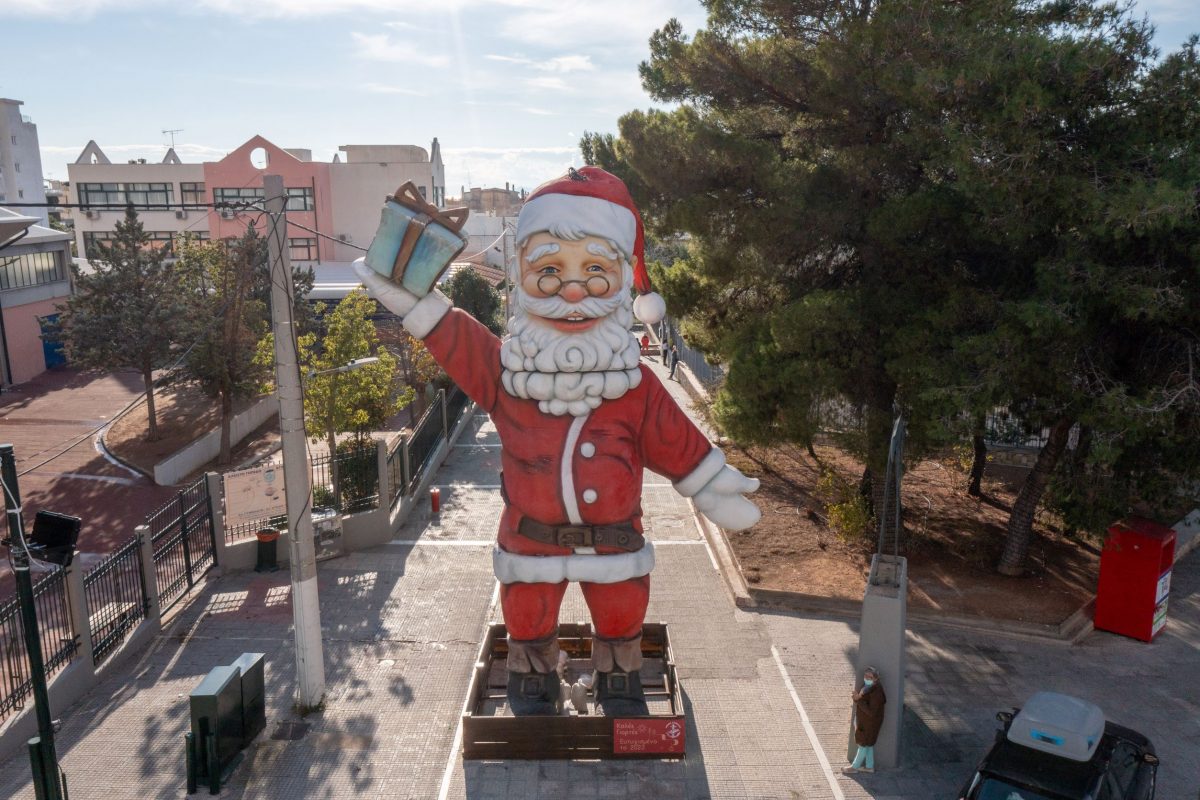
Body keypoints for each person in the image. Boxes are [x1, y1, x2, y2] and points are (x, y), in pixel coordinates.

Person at [357, 166, 760, 717]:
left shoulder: (633, 386)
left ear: (622, 280)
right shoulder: (507, 373)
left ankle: (619, 681)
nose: (572, 289)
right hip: (530, 544)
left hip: (615, 544)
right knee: (527, 615)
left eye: (595, 271)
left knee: (621, 612)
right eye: (549, 271)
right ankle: (532, 682)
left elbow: (673, 438)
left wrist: (710, 484)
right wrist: (413, 304)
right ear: (523, 274)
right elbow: (456, 336)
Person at [844, 666, 886, 774]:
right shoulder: (869, 686)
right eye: (866, 675)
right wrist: (858, 698)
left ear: (875, 679)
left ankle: (854, 767)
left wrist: (858, 699)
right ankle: (869, 766)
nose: (867, 678)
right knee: (868, 744)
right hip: (866, 722)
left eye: (870, 677)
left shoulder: (876, 692)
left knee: (863, 744)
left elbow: (871, 712)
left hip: (870, 724)